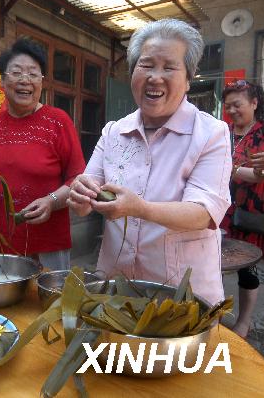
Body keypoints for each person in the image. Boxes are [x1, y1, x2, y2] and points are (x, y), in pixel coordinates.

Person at [68, 18, 232, 306]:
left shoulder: (211, 133)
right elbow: (86, 196)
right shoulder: (113, 132)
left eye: (169, 67)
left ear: (188, 79)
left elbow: (204, 213)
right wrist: (80, 195)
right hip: (116, 287)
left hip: (180, 295)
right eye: (146, 65)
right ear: (132, 72)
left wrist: (139, 208)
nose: (155, 77)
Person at [0, 38, 86, 270]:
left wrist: (51, 201)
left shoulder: (58, 121)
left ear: (41, 82)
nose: (25, 80)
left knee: (47, 294)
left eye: (33, 74)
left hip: (46, 246)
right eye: (16, 72)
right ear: (2, 80)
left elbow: (78, 179)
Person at [220, 80, 264, 338]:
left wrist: (229, 169)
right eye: (228, 106)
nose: (231, 111)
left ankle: (244, 321)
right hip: (220, 209)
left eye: (237, 105)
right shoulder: (223, 131)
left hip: (248, 211)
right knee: (213, 264)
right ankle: (213, 313)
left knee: (247, 269)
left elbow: (262, 173)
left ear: (254, 103)